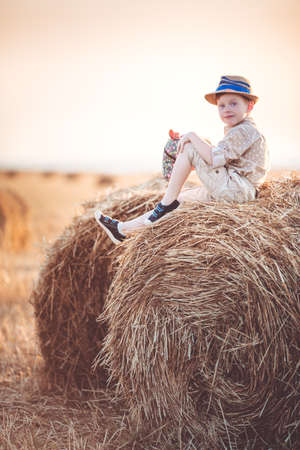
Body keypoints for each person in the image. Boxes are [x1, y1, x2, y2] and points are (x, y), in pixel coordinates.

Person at [95, 75, 269, 244]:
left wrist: (192, 138)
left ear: (250, 106)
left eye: (233, 103)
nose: (227, 109)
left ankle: (166, 203)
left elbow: (214, 158)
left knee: (191, 146)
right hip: (233, 188)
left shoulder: (245, 131)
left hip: (237, 190)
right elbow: (218, 159)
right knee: (182, 199)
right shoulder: (240, 130)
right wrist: (188, 159)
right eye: (221, 105)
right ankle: (123, 230)